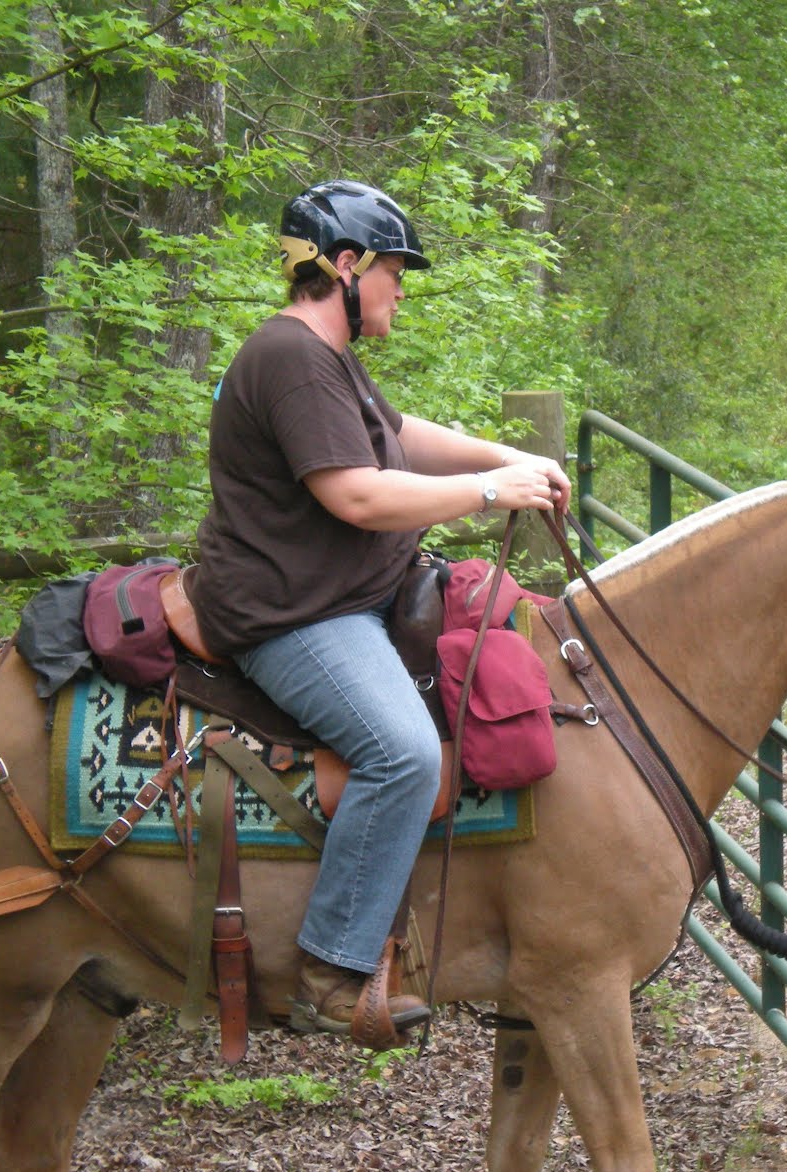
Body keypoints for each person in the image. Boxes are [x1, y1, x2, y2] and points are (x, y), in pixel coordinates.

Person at [188, 179, 570, 1045]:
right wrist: (485, 491)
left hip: (347, 596)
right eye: (397, 268)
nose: (404, 287)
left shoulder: (326, 361)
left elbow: (400, 438)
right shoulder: (287, 357)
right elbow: (357, 494)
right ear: (348, 266)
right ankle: (331, 969)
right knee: (400, 751)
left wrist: (511, 454)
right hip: (294, 617)